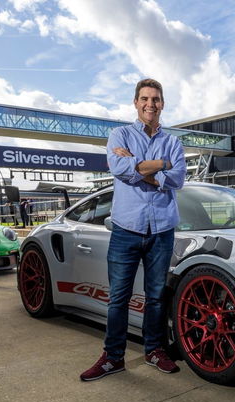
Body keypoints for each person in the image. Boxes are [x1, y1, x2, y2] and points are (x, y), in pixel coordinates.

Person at [80, 78, 186, 382]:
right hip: (126, 229)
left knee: (155, 297)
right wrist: (160, 167)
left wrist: (144, 167)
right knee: (119, 298)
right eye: (144, 99)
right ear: (135, 102)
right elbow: (120, 170)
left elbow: (177, 179)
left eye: (155, 99)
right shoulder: (120, 135)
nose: (150, 104)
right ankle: (113, 358)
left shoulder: (173, 143)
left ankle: (154, 350)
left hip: (162, 230)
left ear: (162, 103)